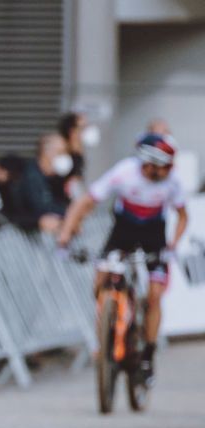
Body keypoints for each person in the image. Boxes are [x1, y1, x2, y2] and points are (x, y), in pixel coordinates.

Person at [58, 133, 188, 384]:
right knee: (100, 279)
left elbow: (183, 216)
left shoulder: (172, 182)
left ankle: (148, 354)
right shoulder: (125, 172)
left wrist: (173, 244)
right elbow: (85, 202)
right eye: (164, 166)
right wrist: (65, 236)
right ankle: (108, 327)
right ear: (148, 163)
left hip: (154, 233)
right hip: (123, 231)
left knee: (154, 295)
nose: (168, 171)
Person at [13, 132, 72, 234]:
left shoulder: (54, 178)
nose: (65, 157)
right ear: (47, 153)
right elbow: (41, 208)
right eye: (61, 152)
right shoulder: (31, 176)